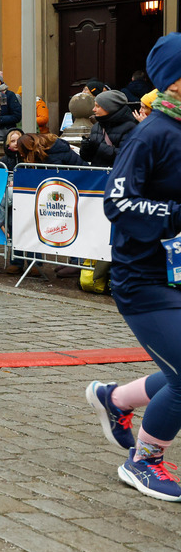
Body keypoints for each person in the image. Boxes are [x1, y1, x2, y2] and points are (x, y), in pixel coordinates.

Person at [86, 32, 181, 501]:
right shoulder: (151, 134)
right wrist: (175, 214)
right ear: (174, 82)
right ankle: (143, 461)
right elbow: (117, 203)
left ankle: (115, 399)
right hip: (143, 278)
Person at [79, 89, 139, 168]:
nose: (93, 109)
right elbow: (87, 158)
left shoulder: (130, 127)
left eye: (97, 106)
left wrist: (99, 147)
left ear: (109, 108)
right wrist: (86, 148)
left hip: (117, 173)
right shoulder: (97, 126)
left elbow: (126, 156)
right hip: (97, 174)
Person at [17, 132, 86, 166]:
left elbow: (56, 178)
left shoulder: (51, 156)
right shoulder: (50, 149)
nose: (21, 155)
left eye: (22, 152)